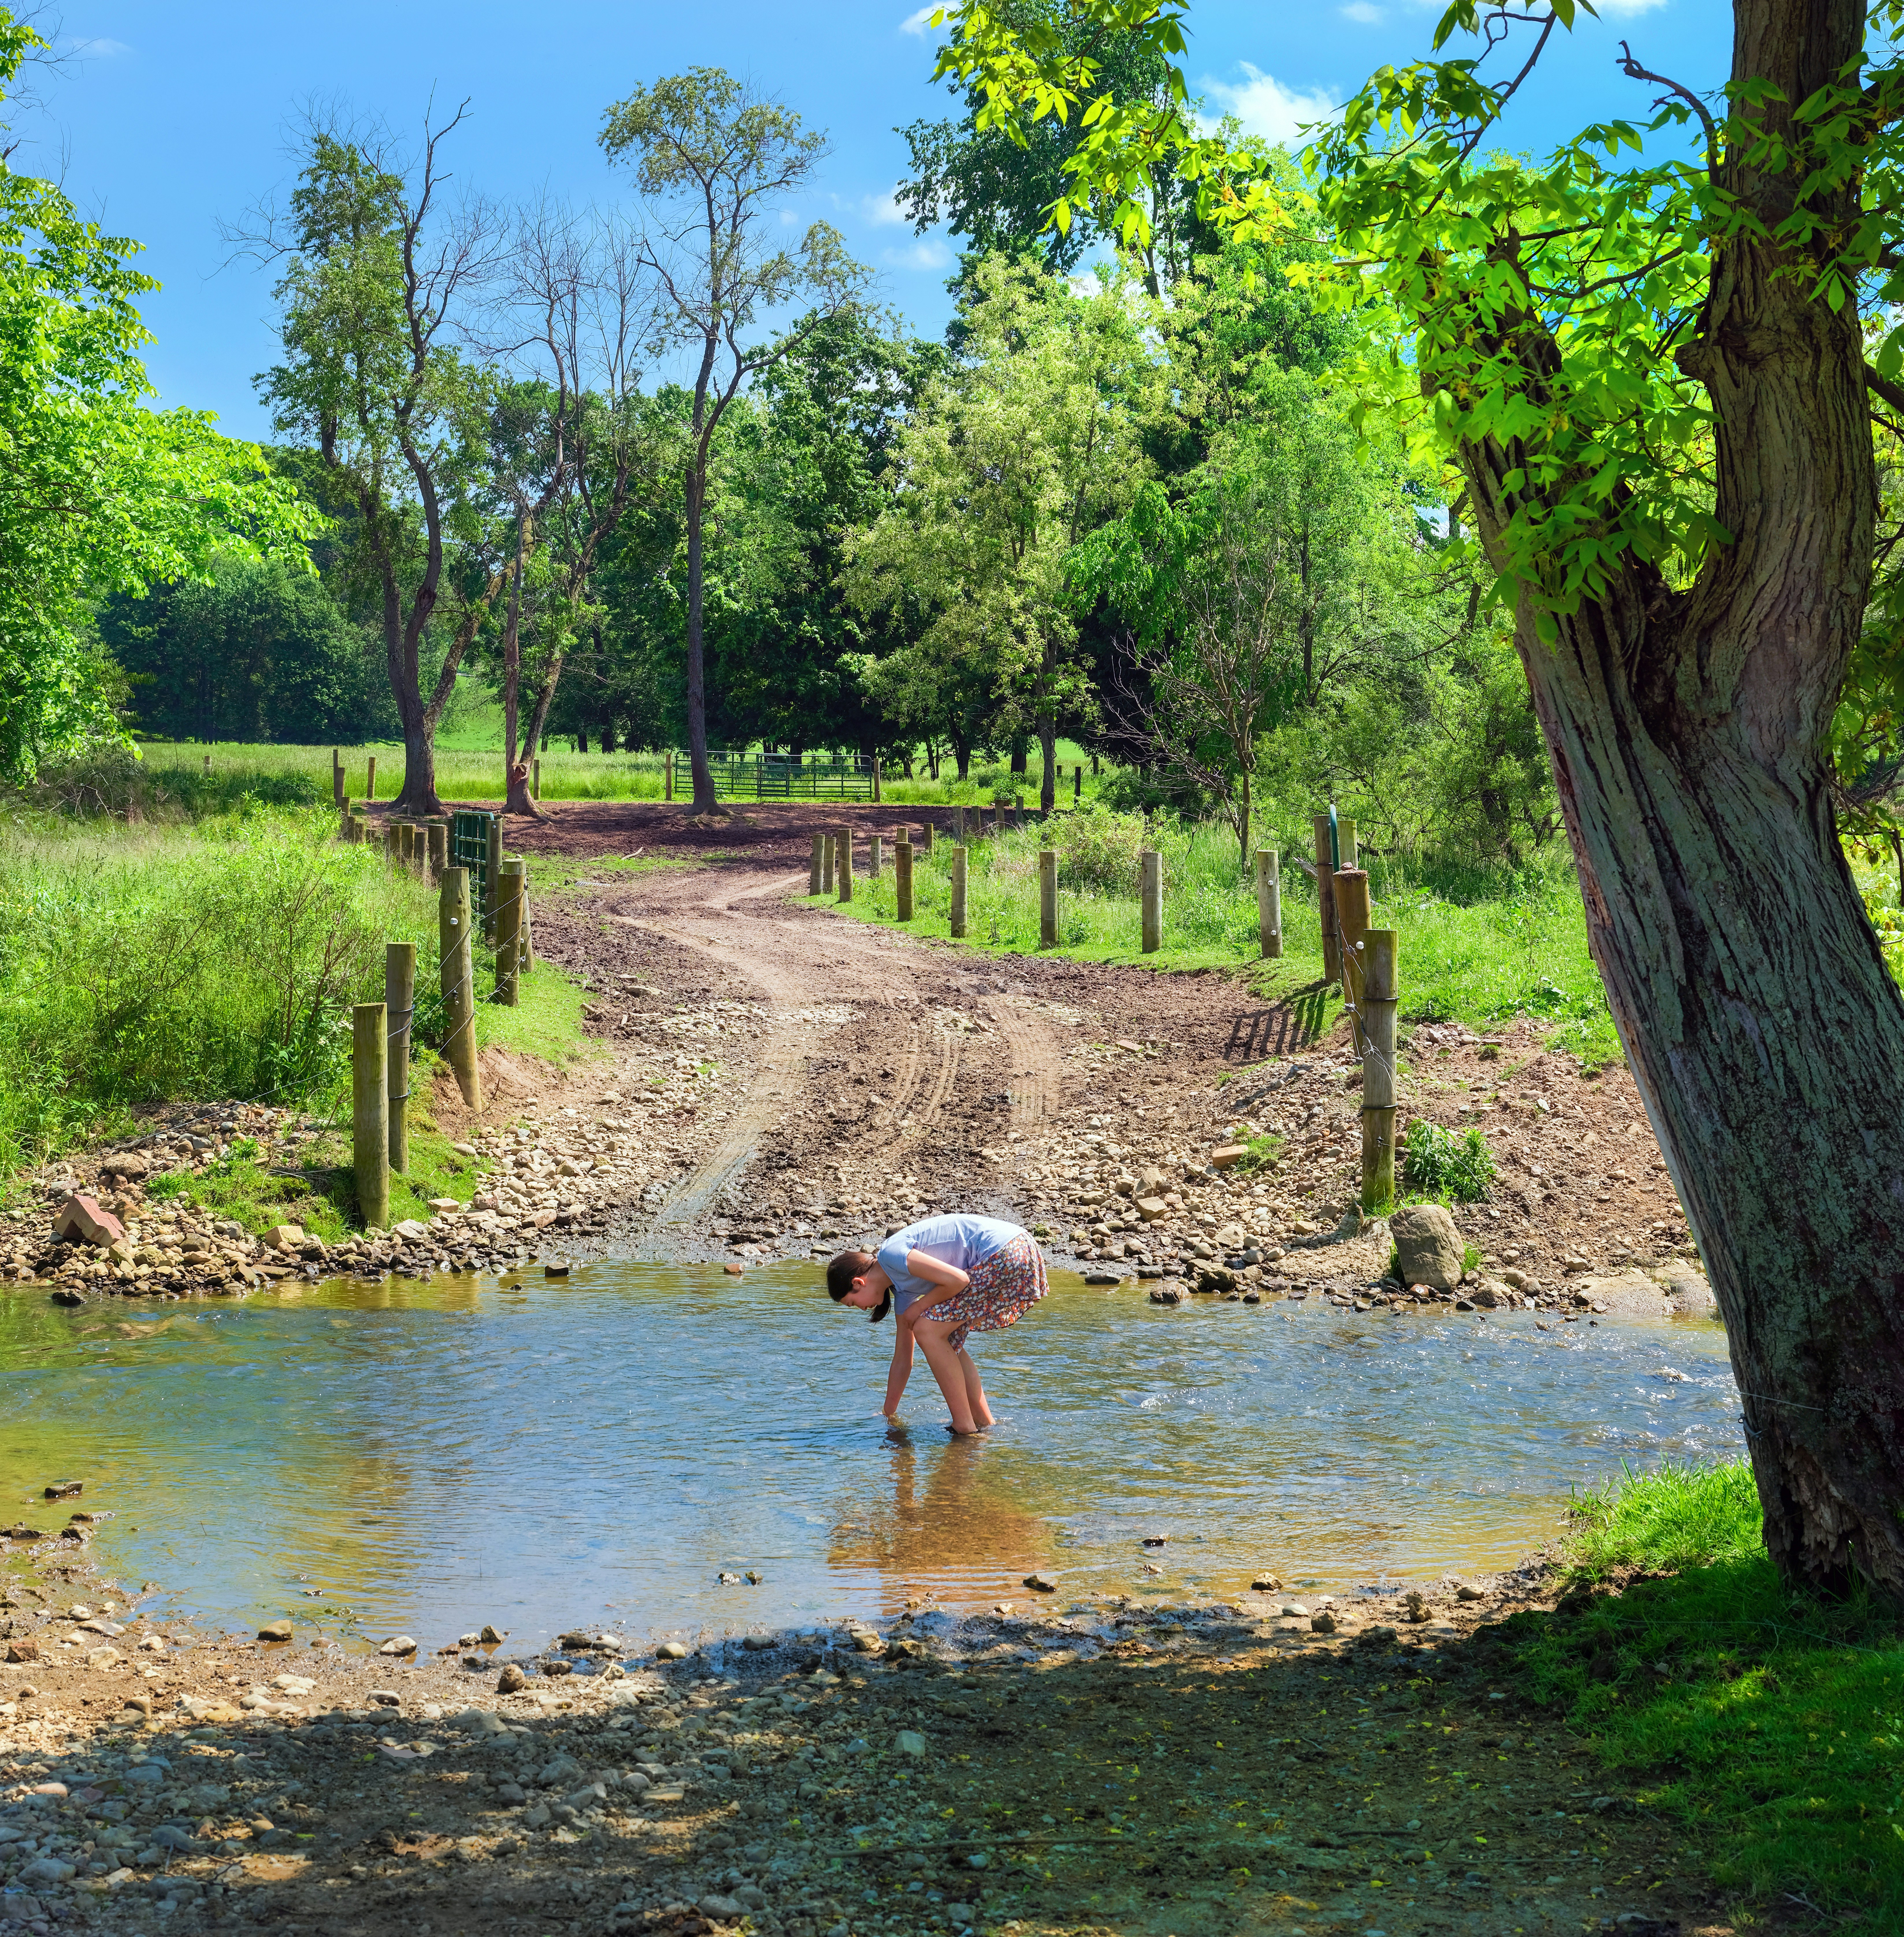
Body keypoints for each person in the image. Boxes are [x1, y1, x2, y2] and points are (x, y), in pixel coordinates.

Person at [825, 1214, 1049, 1434]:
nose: (862, 1309)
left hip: (1007, 1252)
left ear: (858, 1283)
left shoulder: (891, 1255)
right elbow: (904, 1359)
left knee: (927, 1328)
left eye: (853, 1303)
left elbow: (959, 1280)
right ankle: (984, 1423)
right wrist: (888, 1412)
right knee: (947, 1340)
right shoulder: (902, 1289)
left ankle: (964, 1425)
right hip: (1013, 1250)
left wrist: (919, 1307)